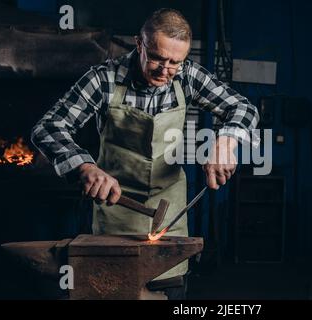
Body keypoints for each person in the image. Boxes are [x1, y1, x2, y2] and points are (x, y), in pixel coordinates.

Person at [31, 8, 259, 299]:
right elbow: (48, 128)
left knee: (170, 293)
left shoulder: (188, 77)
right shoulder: (104, 79)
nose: (165, 70)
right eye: (157, 58)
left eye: (175, 62)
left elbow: (243, 108)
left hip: (169, 218)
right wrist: (84, 167)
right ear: (140, 44)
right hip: (115, 215)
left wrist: (226, 141)